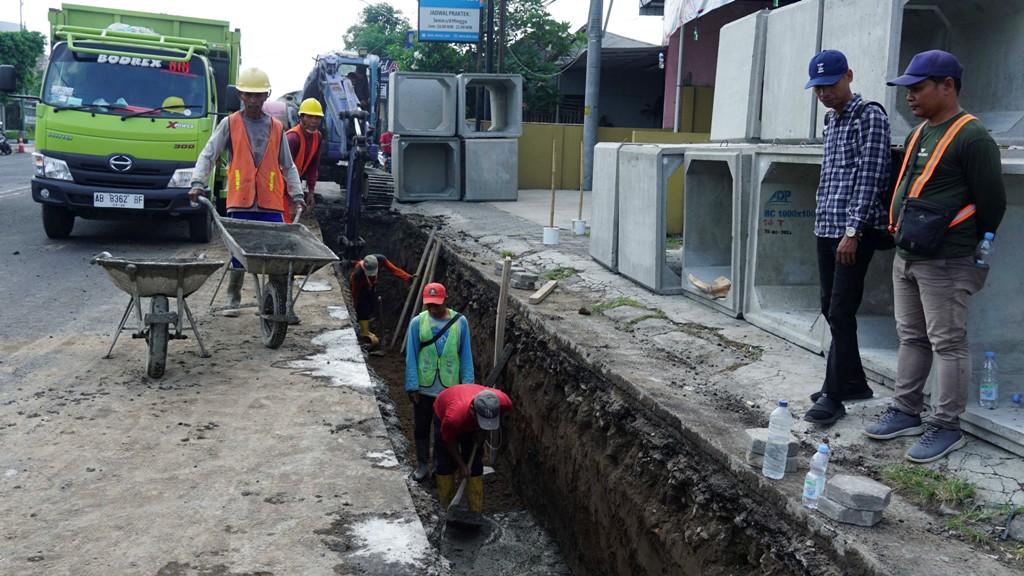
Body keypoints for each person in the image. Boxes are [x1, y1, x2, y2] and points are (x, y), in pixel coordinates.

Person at [864, 50, 1005, 463]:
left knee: (948, 342)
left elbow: (992, 204)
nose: (909, 96)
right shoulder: (920, 132)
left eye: (918, 87)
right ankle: (906, 411)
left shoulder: (972, 136)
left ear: (948, 86)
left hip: (946, 260)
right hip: (908, 254)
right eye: (907, 88)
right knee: (911, 336)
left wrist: (962, 245)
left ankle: (946, 425)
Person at [802, 50, 892, 425]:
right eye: (818, 88)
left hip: (854, 231)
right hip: (826, 226)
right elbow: (831, 176)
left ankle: (833, 395)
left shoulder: (869, 116)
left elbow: (871, 177)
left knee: (841, 310)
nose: (824, 93)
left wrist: (853, 231)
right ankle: (853, 381)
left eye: (831, 85)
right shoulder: (831, 121)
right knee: (829, 307)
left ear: (849, 77)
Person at [189, 68, 305, 317]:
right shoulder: (229, 123)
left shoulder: (276, 127)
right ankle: (233, 294)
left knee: (278, 255)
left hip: (271, 202)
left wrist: (297, 195)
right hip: (240, 201)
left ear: (266, 96)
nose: (253, 100)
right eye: (249, 95)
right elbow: (209, 154)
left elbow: (288, 165)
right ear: (241, 95)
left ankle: (281, 302)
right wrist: (197, 181)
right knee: (239, 252)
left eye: (259, 95)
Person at [404, 282, 475, 482]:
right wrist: (412, 385)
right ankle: (423, 465)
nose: (433, 309)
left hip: (448, 390)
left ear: (445, 300)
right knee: (421, 428)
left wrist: (468, 387)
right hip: (424, 387)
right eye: (429, 305)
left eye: (436, 304)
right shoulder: (417, 323)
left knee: (442, 431)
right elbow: (411, 355)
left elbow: (466, 356)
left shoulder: (460, 323)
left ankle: (439, 466)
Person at [433, 383, 512, 515]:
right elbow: (449, 441)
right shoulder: (453, 418)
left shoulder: (504, 402)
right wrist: (462, 465)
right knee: (445, 465)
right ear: (472, 410)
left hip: (469, 415)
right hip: (444, 410)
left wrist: (482, 432)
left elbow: (493, 419)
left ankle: (476, 512)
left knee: (475, 466)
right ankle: (445, 510)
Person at [350, 254, 413, 346]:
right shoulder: (357, 274)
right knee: (362, 307)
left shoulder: (381, 260)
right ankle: (364, 331)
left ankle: (368, 322)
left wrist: (408, 277)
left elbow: (394, 270)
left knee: (370, 305)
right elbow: (355, 294)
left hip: (371, 286)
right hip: (362, 289)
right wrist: (353, 308)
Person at [284, 98, 324, 221]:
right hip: (281, 182)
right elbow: (283, 168)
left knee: (291, 217)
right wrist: (293, 194)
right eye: (309, 117)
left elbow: (313, 166)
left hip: (294, 181)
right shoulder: (292, 138)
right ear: (301, 117)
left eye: (317, 118)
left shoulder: (317, 137)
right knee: (285, 216)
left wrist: (311, 191)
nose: (313, 121)